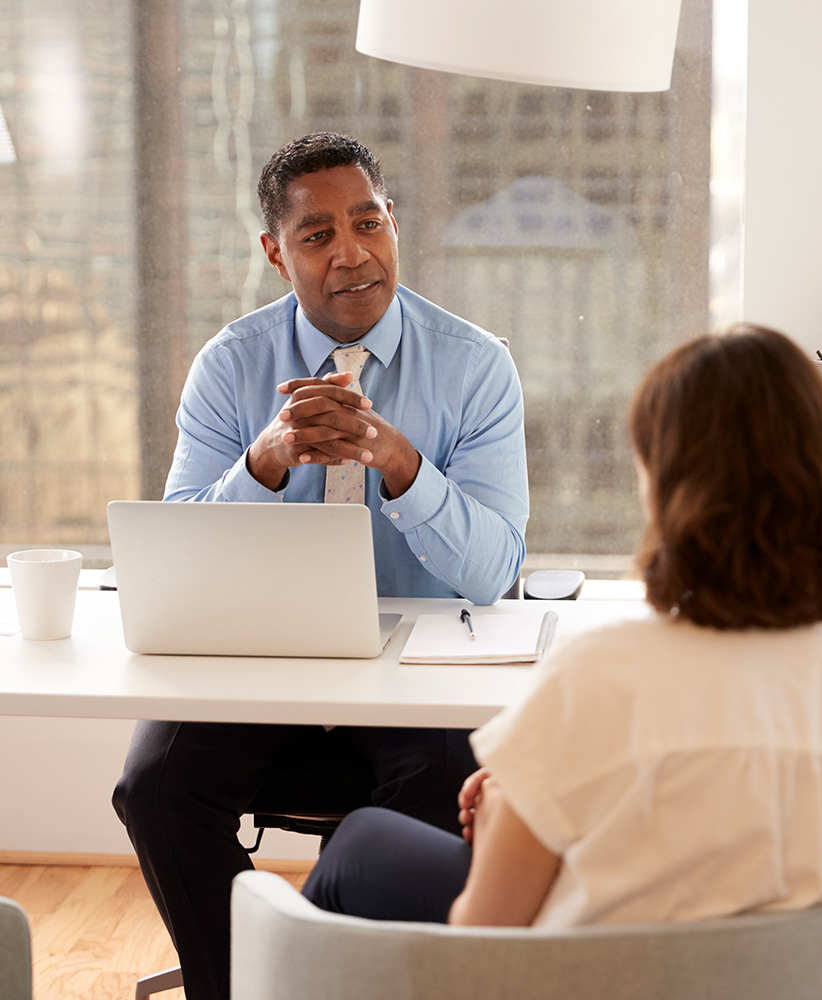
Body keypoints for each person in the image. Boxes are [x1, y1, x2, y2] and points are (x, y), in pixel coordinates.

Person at [301, 325, 822, 930]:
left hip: (596, 973)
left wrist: (510, 807)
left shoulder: (603, 678)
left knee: (359, 845)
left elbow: (483, 939)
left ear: (671, 490)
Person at [112, 133, 529, 1000]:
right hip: (263, 667)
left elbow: (493, 570)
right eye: (317, 235)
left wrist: (404, 468)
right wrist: (263, 466)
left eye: (368, 222)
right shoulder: (231, 366)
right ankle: (239, 987)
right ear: (275, 252)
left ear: (394, 225)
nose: (352, 253)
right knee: (154, 788)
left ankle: (347, 983)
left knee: (442, 795)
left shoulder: (477, 366)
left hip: (416, 680)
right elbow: (179, 551)